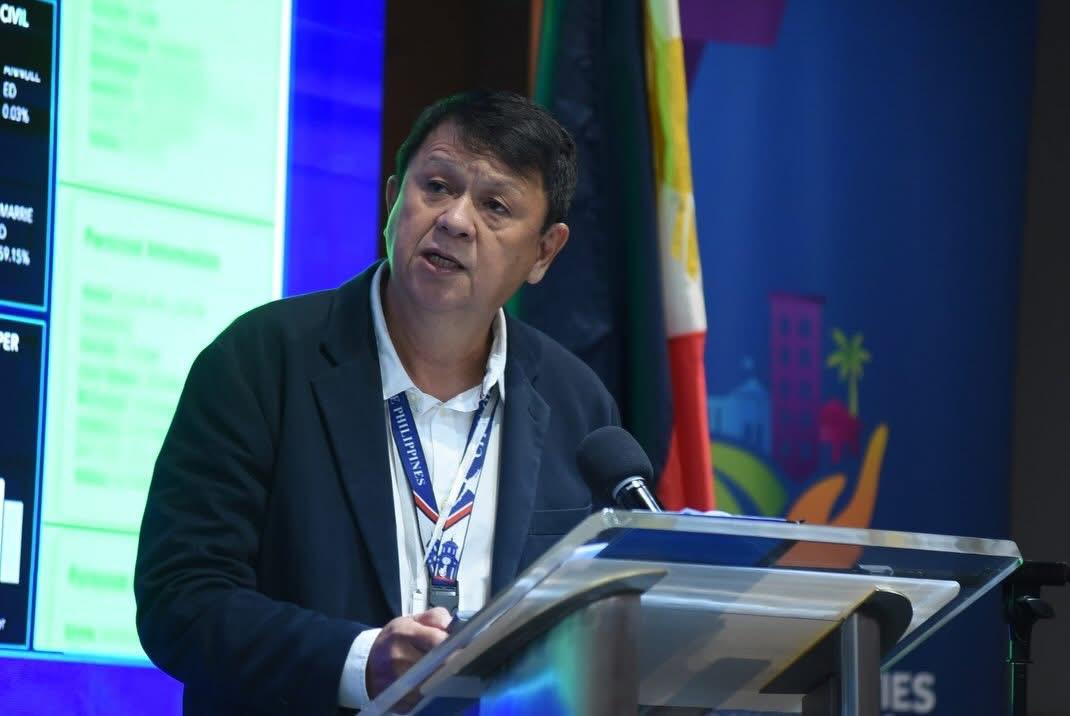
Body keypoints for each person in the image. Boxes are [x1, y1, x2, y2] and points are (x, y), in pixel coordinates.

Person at [134, 90, 619, 715]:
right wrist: (360, 662)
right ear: (393, 199)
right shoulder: (261, 361)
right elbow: (180, 598)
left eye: (495, 206)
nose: (455, 220)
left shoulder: (578, 405)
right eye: (437, 187)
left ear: (545, 251)